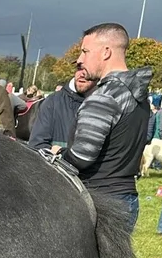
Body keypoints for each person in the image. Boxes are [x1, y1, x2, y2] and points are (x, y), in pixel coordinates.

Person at [59, 22, 152, 231]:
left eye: (85, 51)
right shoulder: (139, 95)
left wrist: (57, 157)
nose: (80, 59)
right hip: (126, 199)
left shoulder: (105, 97)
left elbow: (82, 157)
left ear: (106, 52)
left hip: (101, 204)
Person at [28, 64, 96, 152]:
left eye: (88, 69)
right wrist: (62, 154)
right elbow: (36, 145)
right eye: (79, 68)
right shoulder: (53, 102)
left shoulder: (109, 105)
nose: (82, 74)